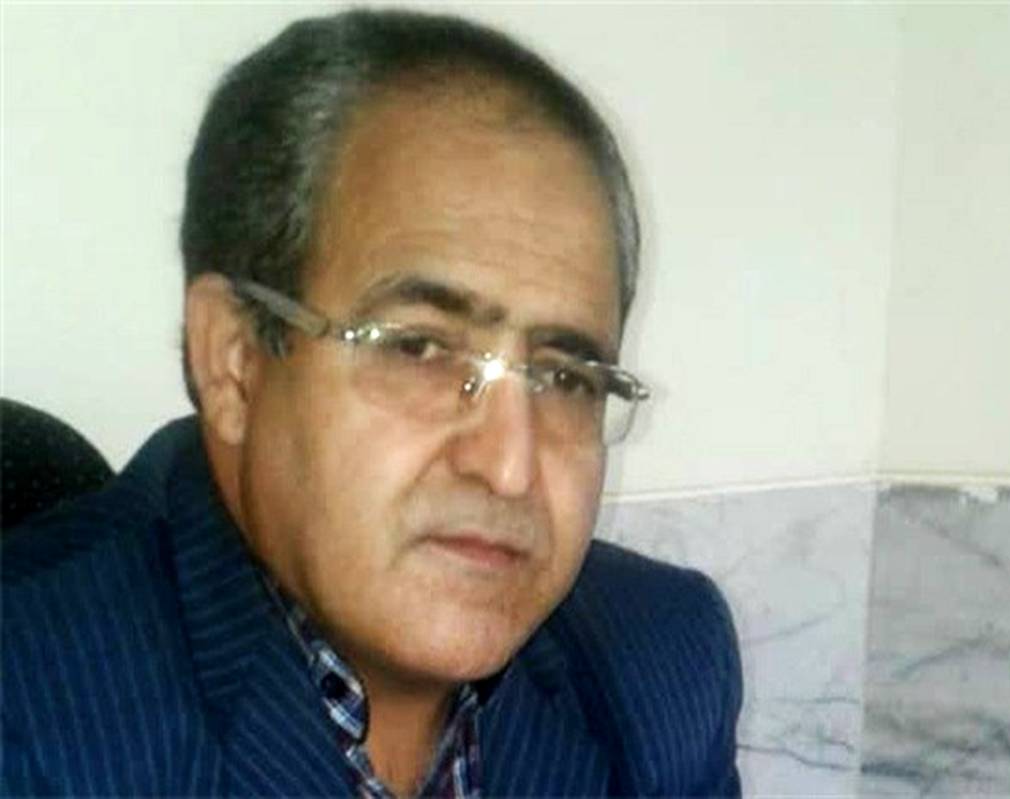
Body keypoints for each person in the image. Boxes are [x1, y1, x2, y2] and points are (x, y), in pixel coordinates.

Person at [1, 8, 742, 797]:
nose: (509, 466)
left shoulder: (657, 661)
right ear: (235, 360)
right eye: (419, 347)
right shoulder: (29, 711)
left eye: (566, 377)